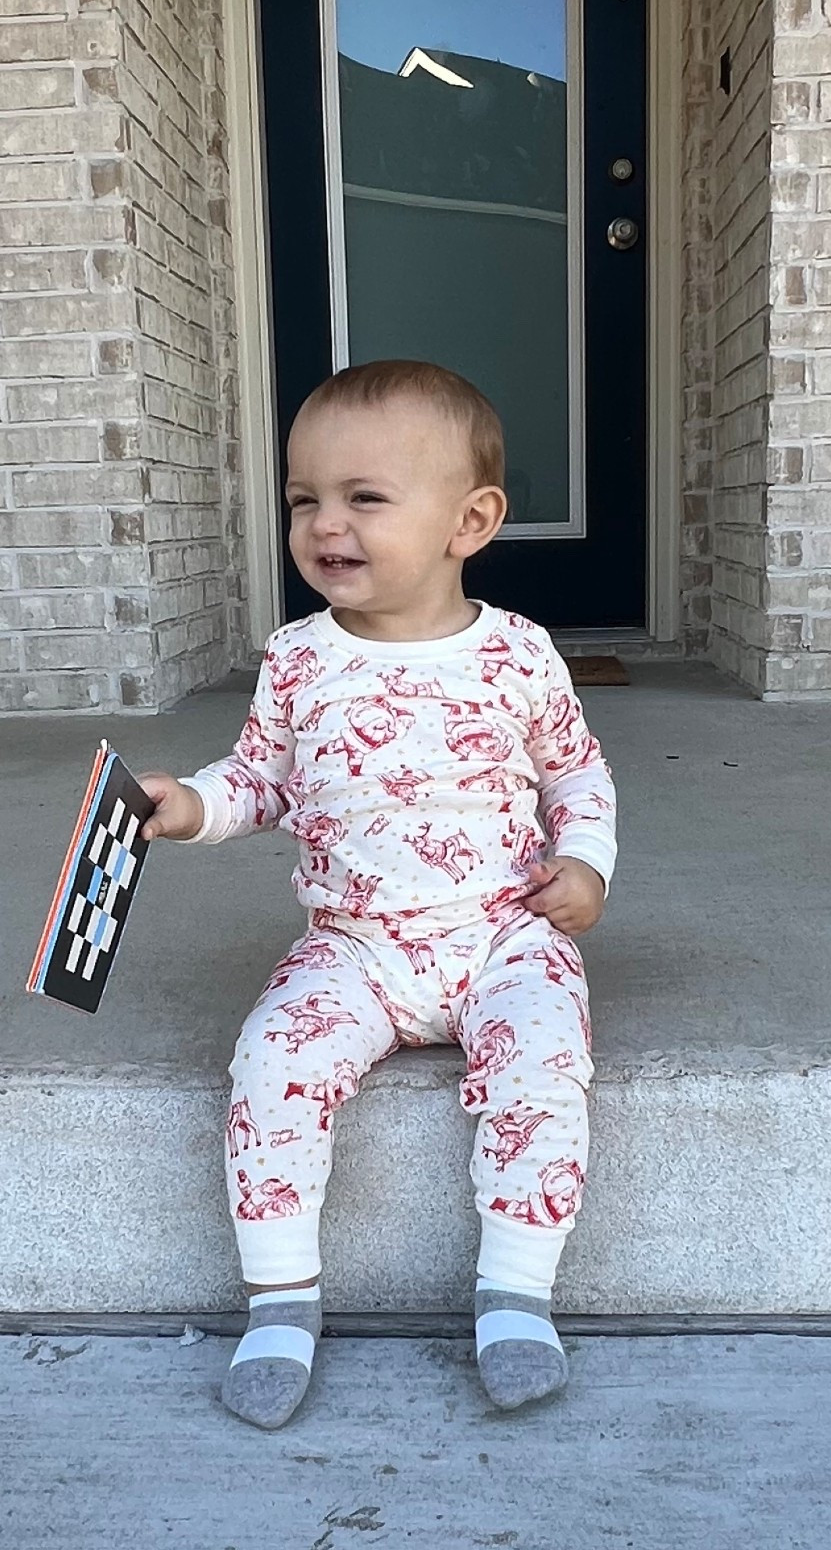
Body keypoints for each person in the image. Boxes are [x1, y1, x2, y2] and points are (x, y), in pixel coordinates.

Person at [138, 359, 616, 1428]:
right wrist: (185, 807)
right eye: (304, 497)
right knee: (269, 1058)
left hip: (504, 928)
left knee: (543, 1060)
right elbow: (260, 776)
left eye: (363, 497)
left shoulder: (515, 656)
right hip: (352, 943)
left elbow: (575, 768)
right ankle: (279, 1297)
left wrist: (584, 863)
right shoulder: (298, 660)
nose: (323, 524)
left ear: (469, 519)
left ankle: (515, 1293)